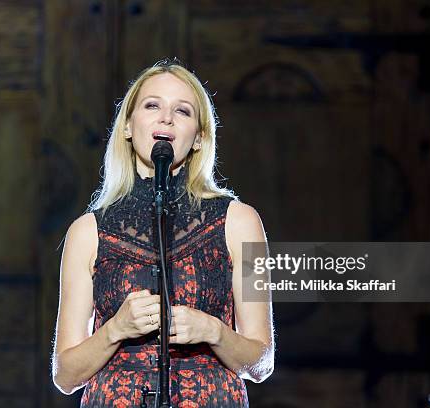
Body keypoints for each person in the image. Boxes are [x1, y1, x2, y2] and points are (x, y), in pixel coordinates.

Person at [51, 59, 275, 407]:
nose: (166, 118)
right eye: (152, 105)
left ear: (200, 137)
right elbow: (65, 375)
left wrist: (212, 331)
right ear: (128, 125)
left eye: (183, 111)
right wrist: (114, 330)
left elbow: (262, 361)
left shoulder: (240, 222)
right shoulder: (88, 231)